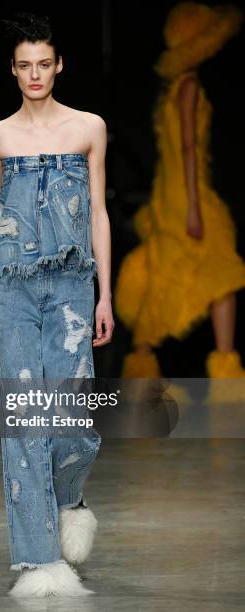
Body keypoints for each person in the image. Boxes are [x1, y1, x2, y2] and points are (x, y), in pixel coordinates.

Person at [0, 13, 114, 598]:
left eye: (44, 64)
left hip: (73, 287)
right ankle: (37, 561)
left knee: (71, 419)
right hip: (9, 290)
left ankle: (70, 501)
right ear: (13, 69)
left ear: (59, 65)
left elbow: (100, 213)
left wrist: (106, 292)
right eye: (24, 65)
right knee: (25, 422)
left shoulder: (88, 128)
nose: (35, 74)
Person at [114, 2, 245, 385]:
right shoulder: (188, 86)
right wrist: (193, 208)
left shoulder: (170, 90)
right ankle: (225, 370)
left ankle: (141, 362)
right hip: (188, 195)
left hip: (169, 193)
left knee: (167, 269)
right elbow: (187, 147)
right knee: (223, 273)